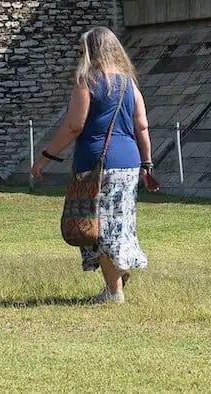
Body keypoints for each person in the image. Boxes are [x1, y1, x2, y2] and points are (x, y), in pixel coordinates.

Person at [30, 26, 155, 304]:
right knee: (121, 223)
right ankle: (117, 278)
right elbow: (142, 126)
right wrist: (147, 164)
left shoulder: (87, 81)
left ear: (89, 51)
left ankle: (114, 292)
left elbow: (74, 125)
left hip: (97, 161)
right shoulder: (128, 83)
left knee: (98, 225)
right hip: (129, 161)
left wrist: (45, 157)